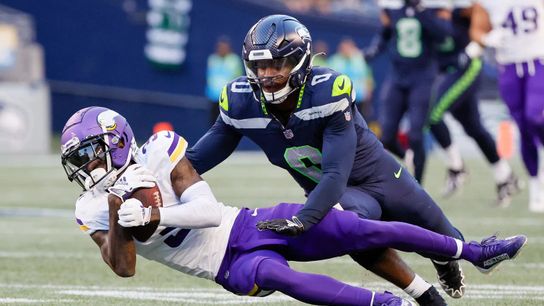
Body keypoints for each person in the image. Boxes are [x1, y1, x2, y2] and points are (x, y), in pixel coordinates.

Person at [61, 106, 527, 306]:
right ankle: (382, 303)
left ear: (118, 140)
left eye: (90, 153)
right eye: (78, 161)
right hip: (224, 267)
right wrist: (125, 218)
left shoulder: (162, 149)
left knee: (353, 230)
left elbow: (204, 211)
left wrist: (154, 214)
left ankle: (473, 253)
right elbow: (123, 267)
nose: (86, 169)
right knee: (280, 277)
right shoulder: (91, 207)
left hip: (244, 225)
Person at [186, 14, 466, 303]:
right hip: (334, 192)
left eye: (276, 64)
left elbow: (335, 172)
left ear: (300, 61)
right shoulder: (241, 102)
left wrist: (303, 219)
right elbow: (194, 161)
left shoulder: (325, 91)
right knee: (353, 233)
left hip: (376, 176)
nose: (267, 75)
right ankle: (424, 294)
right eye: (260, 66)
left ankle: (444, 260)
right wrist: (154, 171)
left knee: (449, 239)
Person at [428, 0, 520, 204]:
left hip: (465, 65)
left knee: (433, 114)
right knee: (473, 127)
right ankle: (505, 176)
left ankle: (456, 167)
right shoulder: (421, 10)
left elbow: (480, 9)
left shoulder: (463, 8)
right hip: (446, 68)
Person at [364, 0, 453, 183]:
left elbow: (444, 36)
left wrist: (422, 12)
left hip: (422, 78)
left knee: (415, 135)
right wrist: (374, 50)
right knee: (386, 136)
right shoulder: (395, 9)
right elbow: (386, 33)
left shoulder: (431, 9)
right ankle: (409, 158)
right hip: (397, 77)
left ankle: (418, 185)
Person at [469, 0, 544, 212]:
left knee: (534, 116)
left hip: (538, 62)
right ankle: (536, 184)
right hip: (509, 66)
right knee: (523, 127)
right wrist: (485, 38)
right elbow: (476, 30)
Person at [328, 37, 375, 119]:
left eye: (349, 48)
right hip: (340, 99)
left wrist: (368, 96)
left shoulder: (360, 60)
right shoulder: (334, 61)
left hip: (359, 98)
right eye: (344, 48)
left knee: (359, 122)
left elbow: (367, 78)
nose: (346, 50)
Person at [205, 36, 243, 125]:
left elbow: (238, 78)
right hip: (214, 98)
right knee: (213, 124)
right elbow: (210, 78)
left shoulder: (234, 60)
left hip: (228, 99)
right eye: (220, 47)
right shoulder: (212, 59)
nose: (222, 49)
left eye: (224, 47)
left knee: (227, 124)